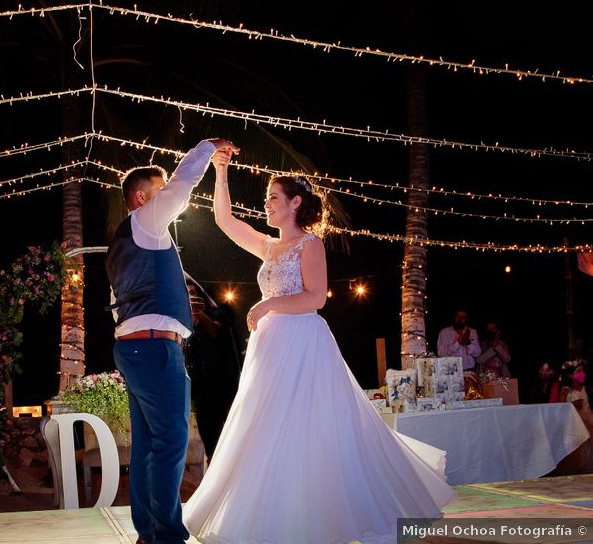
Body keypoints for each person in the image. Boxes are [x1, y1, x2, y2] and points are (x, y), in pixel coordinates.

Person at [183, 151, 454, 543]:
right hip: (270, 349)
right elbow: (224, 221)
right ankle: (273, 513)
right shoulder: (269, 246)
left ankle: (323, 513)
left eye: (273, 196)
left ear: (295, 203)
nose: (266, 203)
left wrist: (269, 303)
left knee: (310, 426)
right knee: (265, 426)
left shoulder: (309, 244)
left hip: (303, 344)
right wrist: (221, 171)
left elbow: (315, 299)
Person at [106, 137, 238, 544]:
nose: (168, 197)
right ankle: (166, 535)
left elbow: (118, 307)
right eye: (158, 190)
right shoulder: (146, 220)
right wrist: (207, 146)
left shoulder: (122, 245)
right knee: (171, 442)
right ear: (143, 197)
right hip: (154, 347)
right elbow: (182, 184)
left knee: (148, 444)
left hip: (134, 347)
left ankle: (148, 532)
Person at [184, 280, 241, 461]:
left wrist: (197, 312)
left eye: (193, 291)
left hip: (222, 386)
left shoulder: (220, 311)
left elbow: (215, 330)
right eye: (186, 293)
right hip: (201, 391)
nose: (190, 296)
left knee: (230, 437)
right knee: (210, 441)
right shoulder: (187, 325)